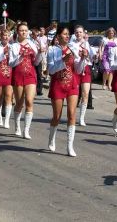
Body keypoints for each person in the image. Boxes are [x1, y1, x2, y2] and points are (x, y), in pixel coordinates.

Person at [47, 26, 86, 157]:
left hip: (72, 84)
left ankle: (70, 146)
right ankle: (52, 138)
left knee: (72, 114)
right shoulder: (52, 50)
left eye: (68, 34)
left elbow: (79, 70)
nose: (67, 36)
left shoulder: (73, 48)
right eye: (64, 34)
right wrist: (62, 61)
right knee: (57, 116)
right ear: (58, 36)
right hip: (58, 84)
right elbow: (51, 70)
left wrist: (82, 59)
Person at [8, 22, 42, 139]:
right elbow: (11, 63)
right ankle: (17, 126)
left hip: (30, 75)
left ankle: (26, 130)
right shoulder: (14, 46)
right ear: (18, 32)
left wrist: (41, 53)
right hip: (18, 75)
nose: (24, 32)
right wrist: (20, 56)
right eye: (21, 30)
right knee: (19, 103)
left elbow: (37, 62)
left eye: (25, 30)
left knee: (29, 101)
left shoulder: (32, 45)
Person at [70, 25, 95, 126]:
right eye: (76, 32)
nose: (78, 34)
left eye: (80, 32)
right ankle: (72, 115)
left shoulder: (87, 43)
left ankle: (82, 118)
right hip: (76, 70)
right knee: (75, 94)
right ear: (74, 34)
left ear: (84, 33)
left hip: (86, 69)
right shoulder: (72, 44)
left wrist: (93, 55)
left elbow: (91, 57)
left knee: (85, 93)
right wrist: (81, 55)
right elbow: (75, 57)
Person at [0, 29, 13, 128]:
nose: (5, 37)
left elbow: (14, 61)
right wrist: (3, 54)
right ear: (1, 36)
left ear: (9, 36)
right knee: (0, 97)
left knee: (9, 96)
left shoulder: (12, 47)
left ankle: (7, 120)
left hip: (9, 73)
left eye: (7, 35)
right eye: (4, 35)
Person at [30, 28, 44, 96]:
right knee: (32, 75)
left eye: (37, 35)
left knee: (39, 75)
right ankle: (32, 89)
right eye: (35, 35)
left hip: (38, 59)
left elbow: (44, 48)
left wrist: (41, 49)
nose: (36, 36)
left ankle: (39, 90)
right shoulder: (30, 41)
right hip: (31, 60)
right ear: (32, 35)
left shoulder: (40, 40)